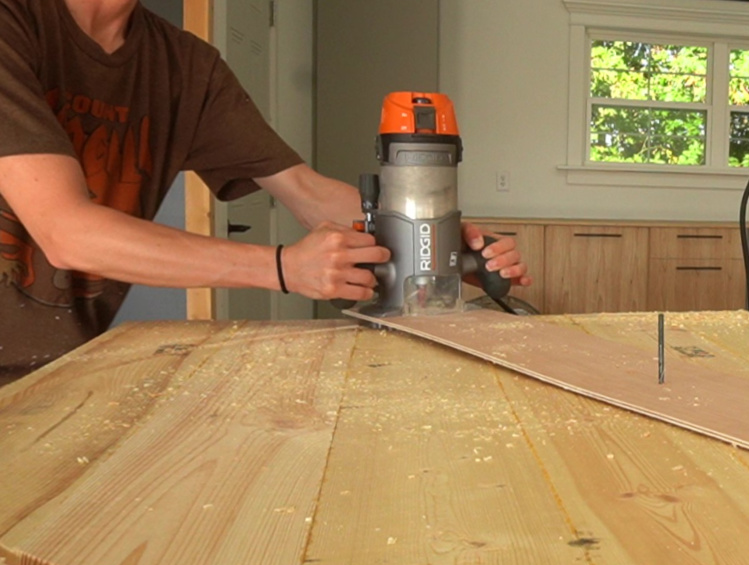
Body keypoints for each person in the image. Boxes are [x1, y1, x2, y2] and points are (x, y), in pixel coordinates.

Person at [0, 0, 530, 386]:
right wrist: (281, 268)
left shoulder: (185, 66)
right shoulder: (13, 25)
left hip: (59, 368)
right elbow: (68, 234)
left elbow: (305, 190)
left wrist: (431, 250)